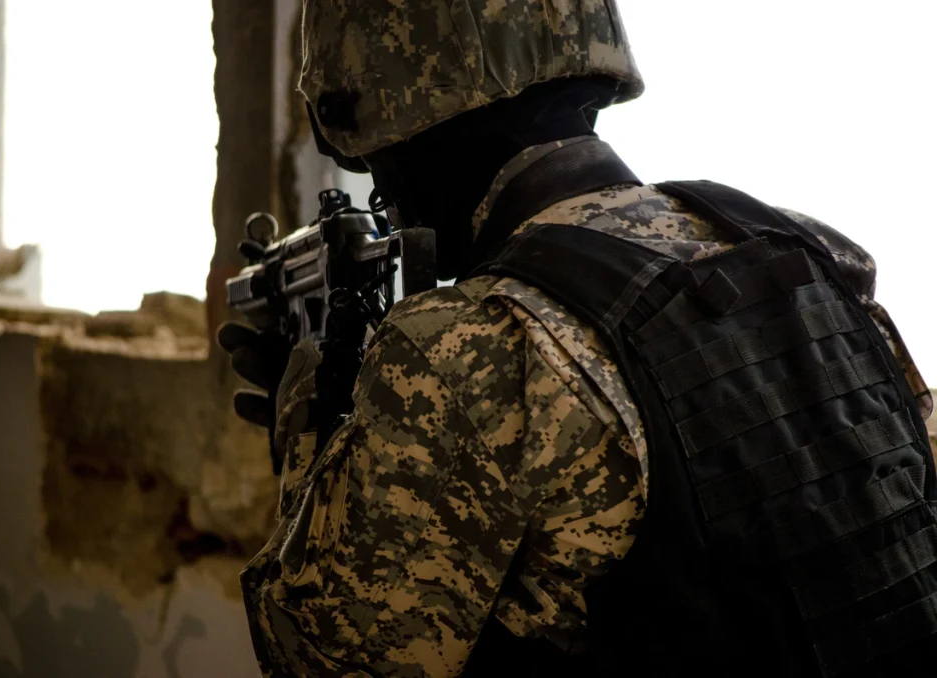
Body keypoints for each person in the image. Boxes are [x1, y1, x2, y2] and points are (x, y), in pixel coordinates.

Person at [218, 2, 936, 676]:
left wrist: (309, 428)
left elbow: (318, 655)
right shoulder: (806, 252)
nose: (380, 190)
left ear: (400, 128)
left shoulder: (466, 347)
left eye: (373, 162)